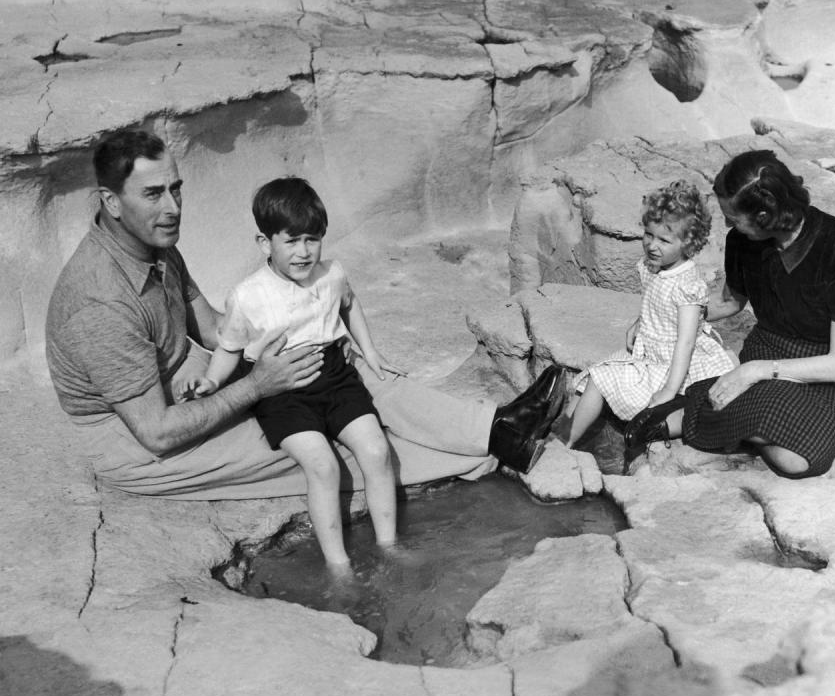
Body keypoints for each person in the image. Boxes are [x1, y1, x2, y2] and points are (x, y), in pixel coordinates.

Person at [45, 129, 565, 509]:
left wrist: (297, 337)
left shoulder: (156, 246)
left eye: (176, 188)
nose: (173, 206)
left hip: (191, 391)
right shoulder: (99, 302)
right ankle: (488, 454)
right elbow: (156, 433)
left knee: (338, 373)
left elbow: (212, 327)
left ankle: (499, 428)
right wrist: (257, 387)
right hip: (139, 445)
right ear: (109, 202)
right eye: (153, 193)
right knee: (325, 448)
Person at [180, 177, 400, 567]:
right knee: (322, 464)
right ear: (265, 243)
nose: (303, 252)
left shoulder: (332, 275)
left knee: (377, 450)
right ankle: (339, 565)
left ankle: (389, 547)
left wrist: (370, 351)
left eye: (312, 240)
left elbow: (350, 304)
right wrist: (212, 381)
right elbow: (229, 347)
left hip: (334, 376)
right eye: (291, 240)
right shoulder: (248, 296)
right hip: (281, 391)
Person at [624, 149, 835, 478]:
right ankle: (689, 420)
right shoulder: (742, 242)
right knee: (769, 416)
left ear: (764, 216)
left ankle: (708, 419)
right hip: (771, 346)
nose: (727, 224)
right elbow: (729, 302)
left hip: (829, 367)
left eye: (733, 217)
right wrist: (659, 313)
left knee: (798, 461)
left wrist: (753, 371)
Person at [561, 181, 735, 448]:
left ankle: (565, 443)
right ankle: (557, 431)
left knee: (600, 380)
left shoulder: (686, 285)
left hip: (674, 365)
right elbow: (657, 304)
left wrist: (667, 389)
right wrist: (640, 321)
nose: (652, 245)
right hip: (650, 348)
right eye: (648, 235)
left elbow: (685, 342)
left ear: (689, 243)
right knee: (591, 378)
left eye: (664, 240)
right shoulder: (652, 266)